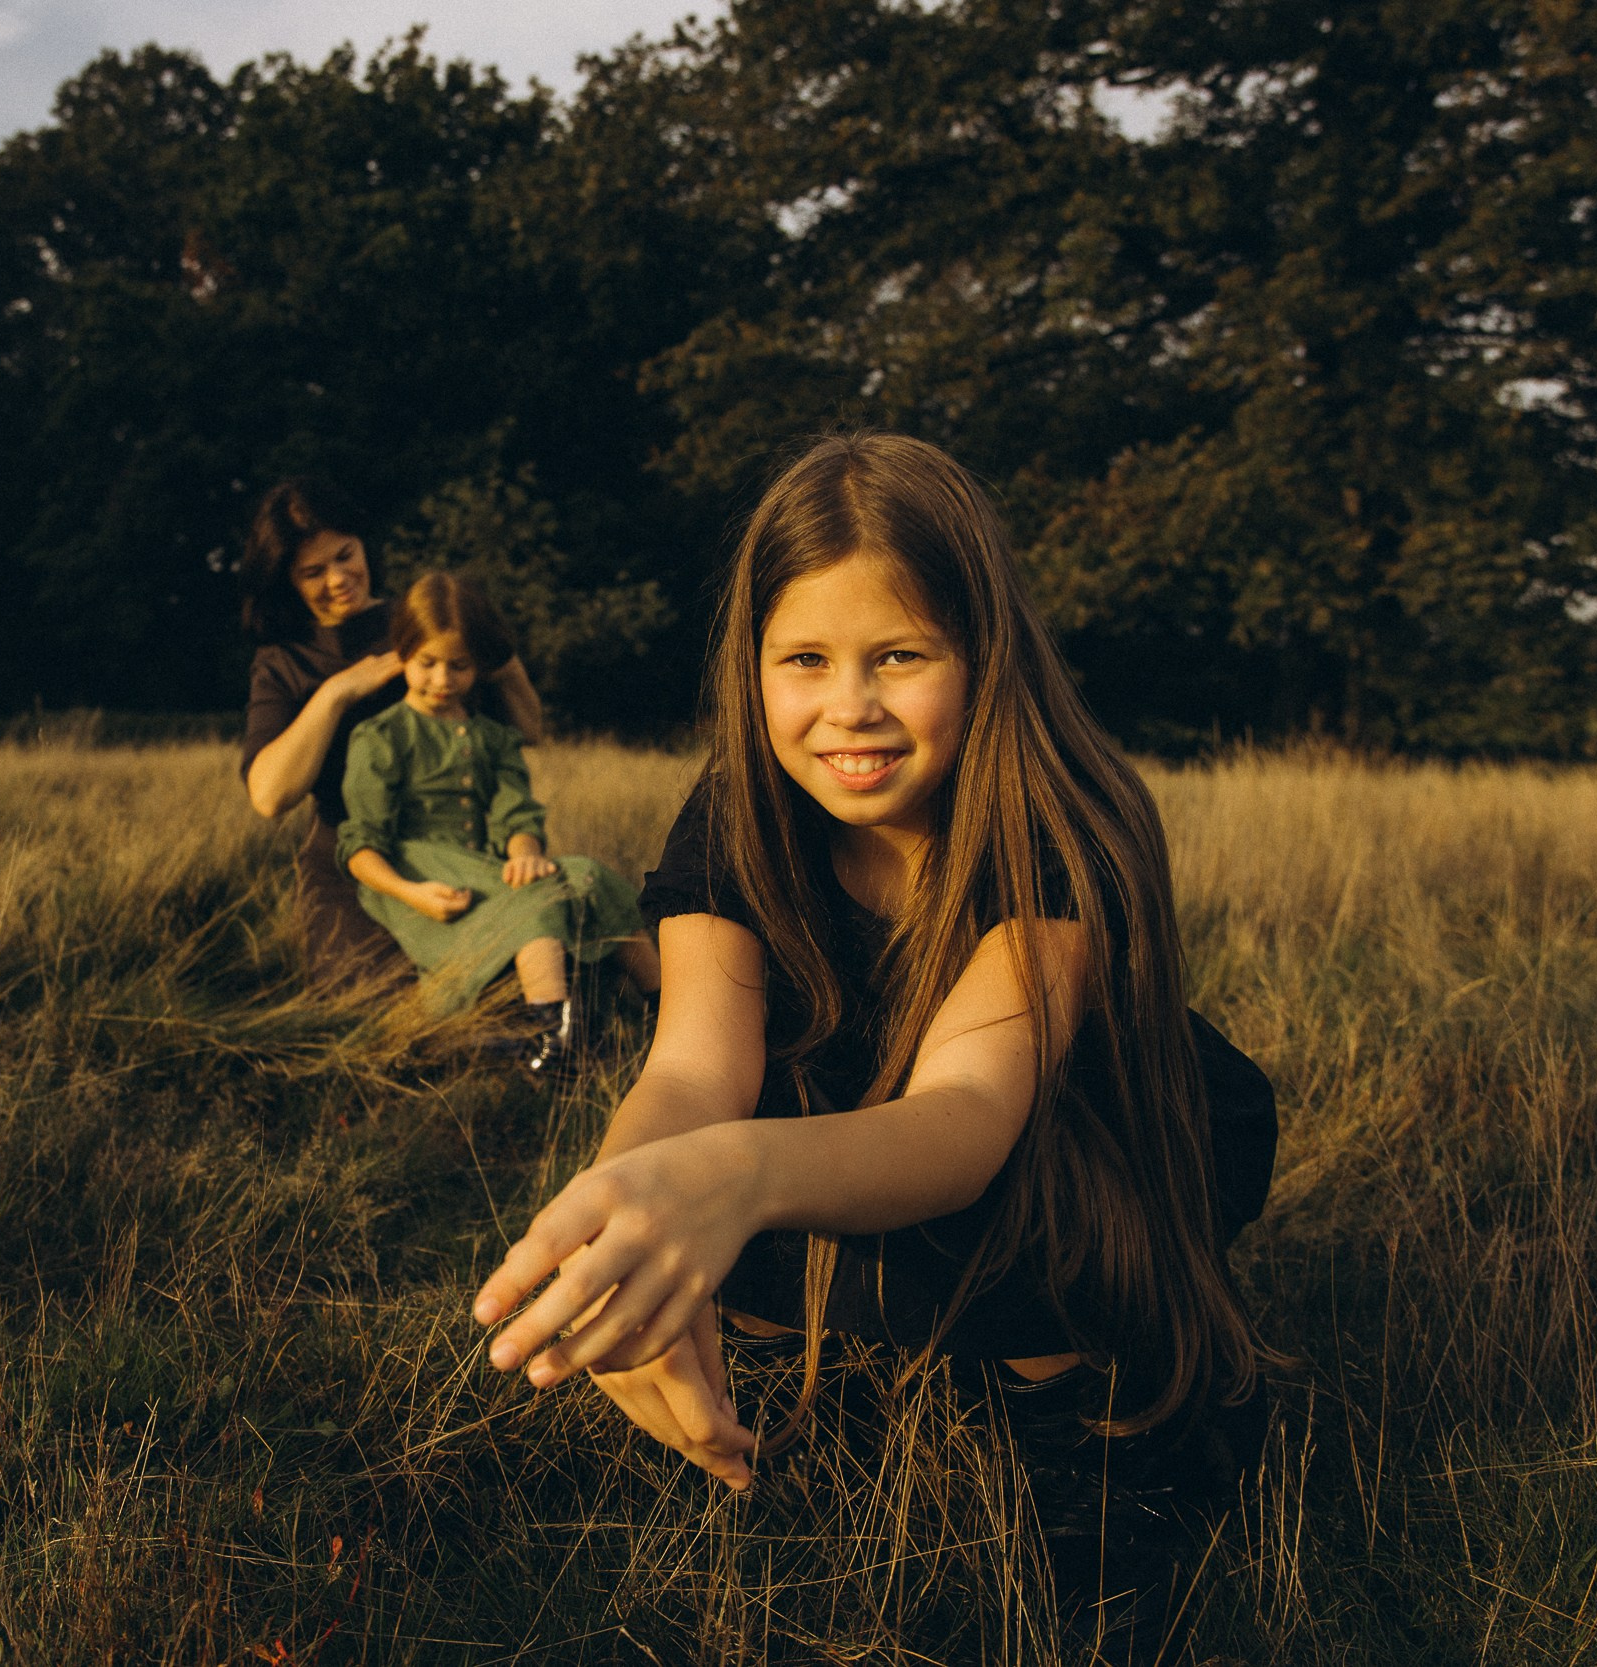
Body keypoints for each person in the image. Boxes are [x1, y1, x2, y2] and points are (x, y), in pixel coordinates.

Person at [467, 434, 1279, 1652]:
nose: (849, 706)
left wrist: (731, 1175)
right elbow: (693, 1068)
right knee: (716, 1221)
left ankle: (1105, 1440)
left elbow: (963, 1115)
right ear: (753, 668)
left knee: (1024, 1225)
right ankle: (812, 1395)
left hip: (1082, 1131)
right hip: (861, 1107)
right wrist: (627, 1202)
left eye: (899, 655)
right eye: (805, 659)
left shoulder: (1057, 815)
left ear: (982, 655)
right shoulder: (738, 809)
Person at [339, 573, 662, 1069]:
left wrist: (525, 850)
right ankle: (551, 1036)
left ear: (480, 668)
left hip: (486, 866)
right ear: (403, 654)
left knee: (590, 876)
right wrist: (410, 892)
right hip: (418, 874)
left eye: (459, 667)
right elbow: (361, 844)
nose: (443, 681)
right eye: (427, 664)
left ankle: (668, 1008)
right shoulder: (381, 736)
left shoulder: (492, 737)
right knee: (535, 901)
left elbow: (516, 807)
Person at [238, 479, 544, 986]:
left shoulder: (420, 621)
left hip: (460, 839)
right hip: (354, 856)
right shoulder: (283, 661)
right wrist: (337, 692)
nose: (338, 579)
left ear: (363, 545)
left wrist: (499, 653)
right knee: (389, 1003)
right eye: (313, 572)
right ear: (287, 580)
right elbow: (270, 797)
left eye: (345, 555)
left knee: (504, 984)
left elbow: (527, 730)